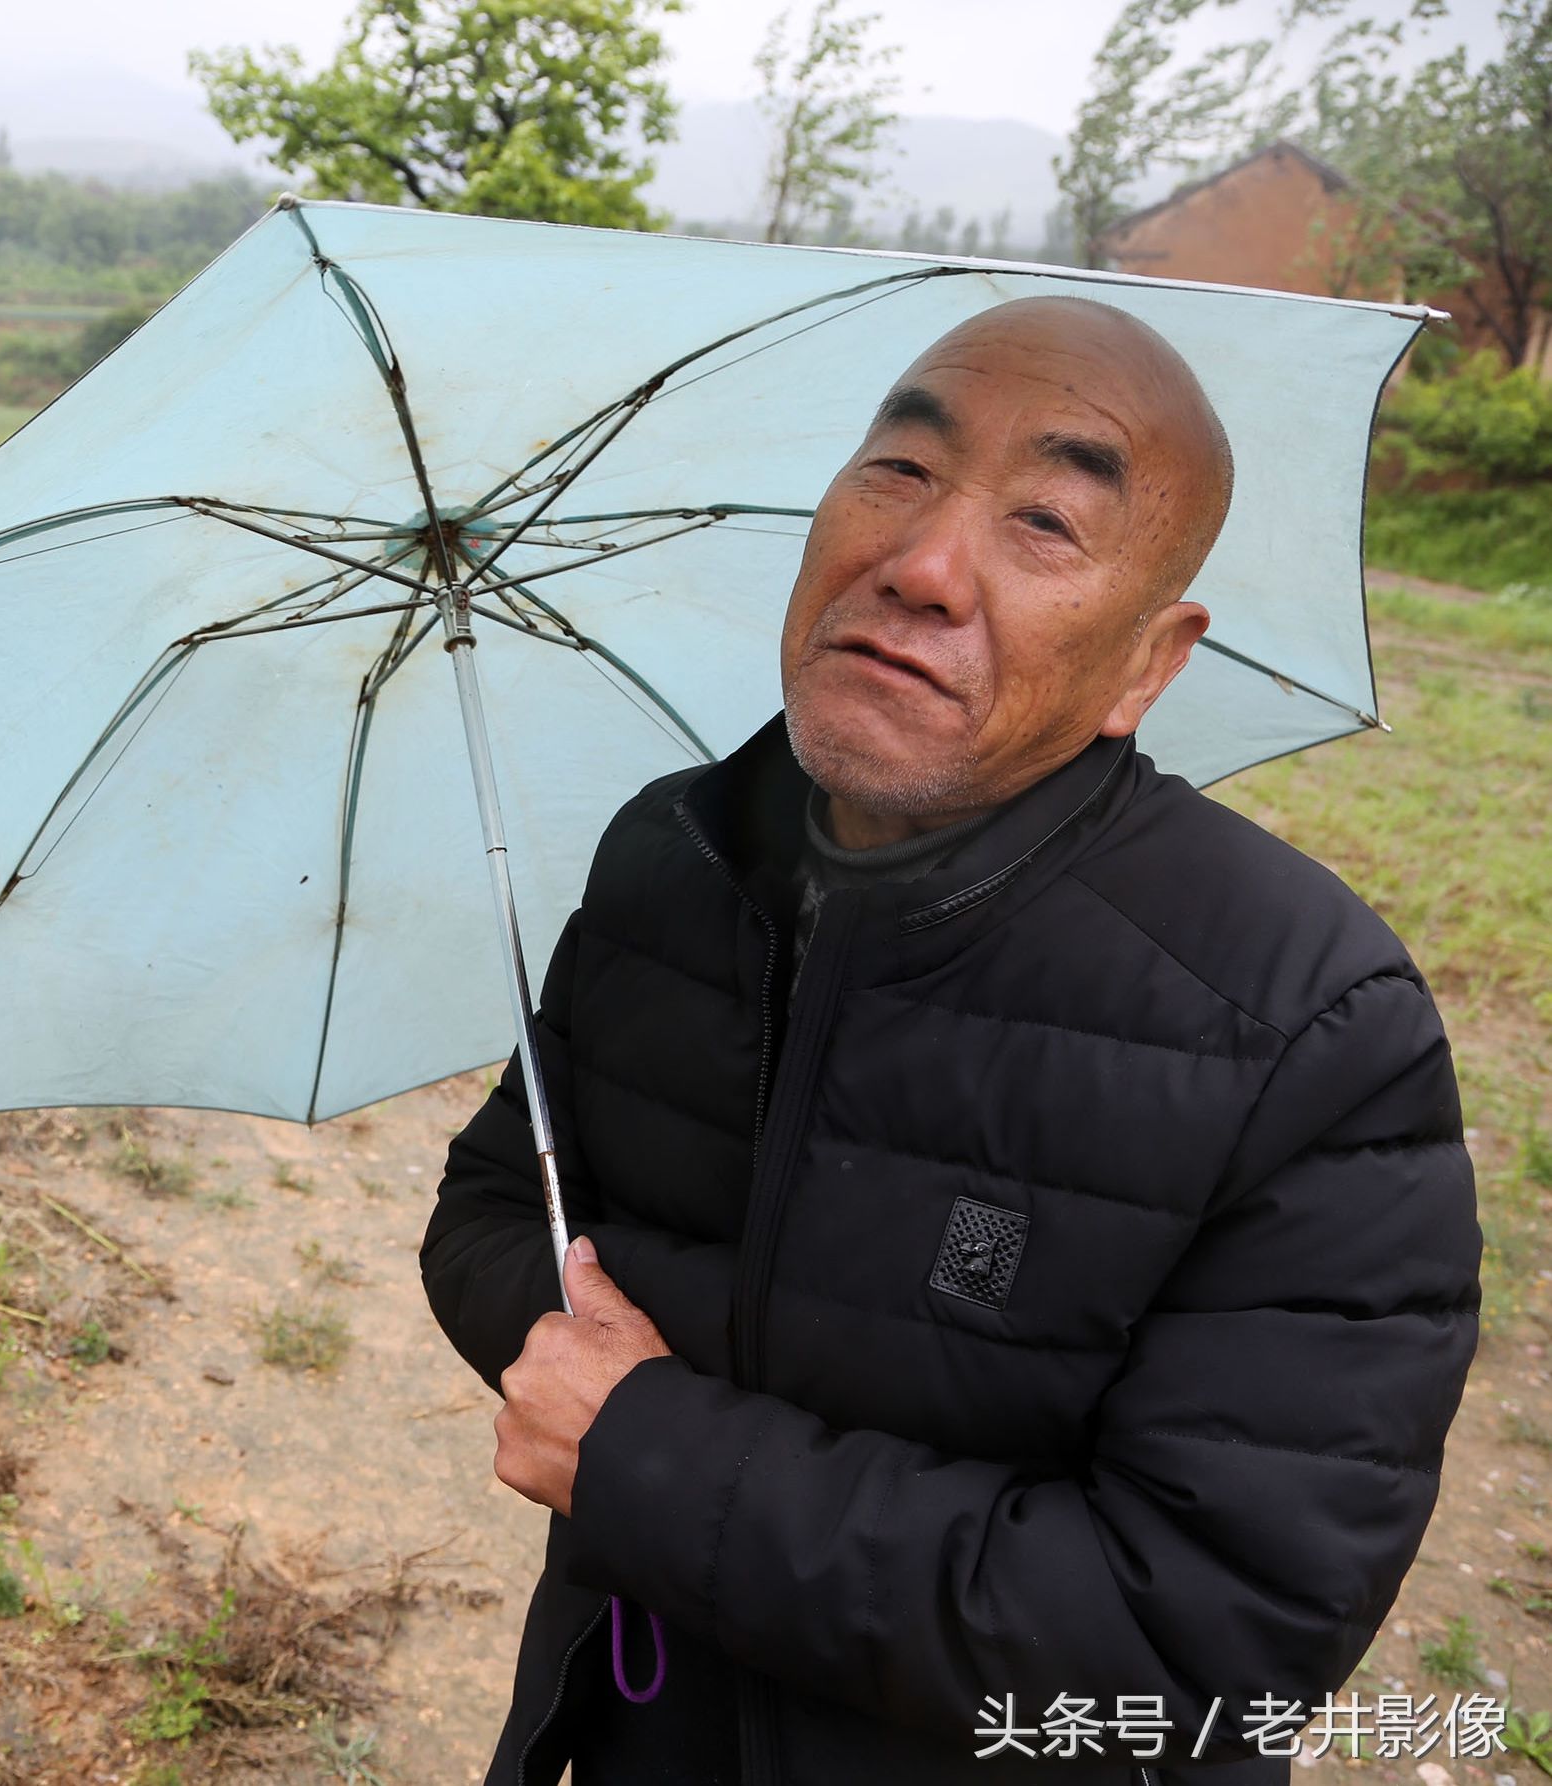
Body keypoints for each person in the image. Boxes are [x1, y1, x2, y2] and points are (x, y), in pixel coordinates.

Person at [421, 295, 1481, 1786]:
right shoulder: (674, 856)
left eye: (1046, 519)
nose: (919, 565)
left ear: (1148, 665)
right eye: (901, 473)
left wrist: (657, 1452)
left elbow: (1209, 1645)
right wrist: (622, 1387)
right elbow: (484, 1216)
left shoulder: (1306, 1025)